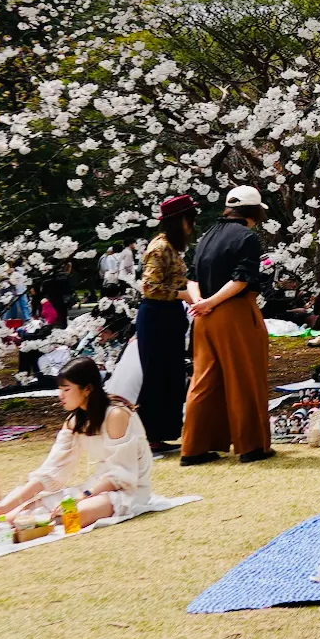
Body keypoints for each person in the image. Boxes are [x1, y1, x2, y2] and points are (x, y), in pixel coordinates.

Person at [0, 357, 154, 527]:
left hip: (129, 490)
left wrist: (84, 495)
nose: (60, 395)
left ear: (87, 389)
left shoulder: (116, 414)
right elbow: (51, 471)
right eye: (59, 389)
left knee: (75, 514)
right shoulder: (74, 421)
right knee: (14, 517)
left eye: (66, 389)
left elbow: (122, 475)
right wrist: (6, 505)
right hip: (96, 488)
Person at [180, 185, 276, 466]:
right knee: (245, 378)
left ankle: (194, 448)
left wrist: (201, 302)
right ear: (254, 211)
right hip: (233, 311)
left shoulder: (207, 236)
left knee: (203, 381)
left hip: (203, 317)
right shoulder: (246, 236)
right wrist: (212, 302)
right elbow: (242, 278)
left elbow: (192, 277)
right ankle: (251, 445)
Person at [136, 194, 199, 453]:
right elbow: (149, 286)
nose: (192, 226)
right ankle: (147, 436)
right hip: (156, 317)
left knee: (170, 376)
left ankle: (161, 433)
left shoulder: (172, 248)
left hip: (169, 317)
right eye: (190, 219)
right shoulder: (160, 248)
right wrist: (181, 294)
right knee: (155, 377)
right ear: (180, 221)